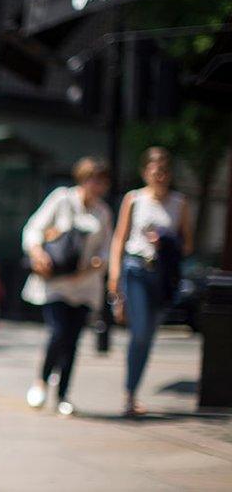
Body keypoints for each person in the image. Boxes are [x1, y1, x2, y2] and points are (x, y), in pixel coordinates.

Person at [22, 157, 112, 416]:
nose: (97, 185)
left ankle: (63, 394)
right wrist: (37, 252)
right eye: (93, 179)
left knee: (73, 340)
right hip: (55, 282)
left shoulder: (103, 212)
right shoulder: (62, 198)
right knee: (58, 332)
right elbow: (33, 229)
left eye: (102, 181)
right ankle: (41, 381)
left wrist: (96, 264)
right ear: (82, 179)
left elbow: (106, 249)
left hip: (84, 285)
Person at [109, 147, 193, 417]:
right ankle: (129, 393)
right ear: (145, 172)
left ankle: (132, 393)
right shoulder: (133, 199)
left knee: (149, 336)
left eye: (165, 172)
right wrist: (114, 275)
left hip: (163, 274)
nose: (160, 176)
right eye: (155, 171)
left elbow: (188, 245)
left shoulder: (180, 203)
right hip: (136, 268)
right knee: (141, 331)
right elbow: (119, 239)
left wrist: (167, 241)